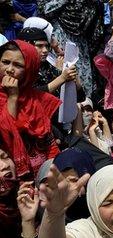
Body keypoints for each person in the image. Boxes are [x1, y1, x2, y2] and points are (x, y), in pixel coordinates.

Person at [0, 40, 61, 181]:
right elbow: (6, 135)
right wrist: (13, 97)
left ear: (29, 69)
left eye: (18, 65)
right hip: (9, 180)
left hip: (43, 177)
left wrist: (54, 171)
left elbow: (48, 142)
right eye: (5, 62)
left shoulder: (38, 100)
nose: (9, 69)